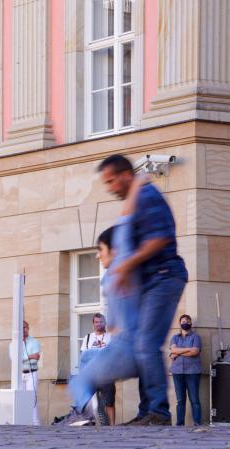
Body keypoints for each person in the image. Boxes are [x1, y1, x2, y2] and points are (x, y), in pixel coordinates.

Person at [99, 154, 187, 426]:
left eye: (111, 181)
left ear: (126, 175)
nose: (110, 188)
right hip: (151, 282)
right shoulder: (137, 198)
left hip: (164, 277)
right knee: (140, 345)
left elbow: (160, 239)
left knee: (146, 344)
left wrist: (127, 267)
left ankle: (159, 412)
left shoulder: (147, 196)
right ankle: (147, 411)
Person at [64, 175, 147, 426]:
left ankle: (82, 414)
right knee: (86, 361)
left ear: (114, 251)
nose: (99, 257)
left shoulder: (121, 270)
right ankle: (83, 412)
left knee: (79, 379)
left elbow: (123, 230)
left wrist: (135, 189)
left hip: (125, 348)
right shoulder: (114, 275)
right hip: (123, 347)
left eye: (100, 251)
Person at [79, 313, 116, 425]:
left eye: (101, 322)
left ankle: (112, 427)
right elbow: (83, 357)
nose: (99, 324)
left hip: (106, 375)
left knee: (109, 402)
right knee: (90, 403)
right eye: (96, 322)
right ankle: (92, 426)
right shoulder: (88, 338)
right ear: (93, 323)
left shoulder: (111, 337)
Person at [169, 314, 202, 426]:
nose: (185, 322)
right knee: (180, 401)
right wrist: (188, 348)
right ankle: (180, 423)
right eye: (183, 321)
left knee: (194, 400)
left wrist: (177, 353)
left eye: (188, 321)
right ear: (180, 323)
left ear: (191, 324)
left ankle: (197, 422)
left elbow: (195, 352)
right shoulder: (175, 337)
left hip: (192, 371)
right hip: (177, 371)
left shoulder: (196, 337)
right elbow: (173, 349)